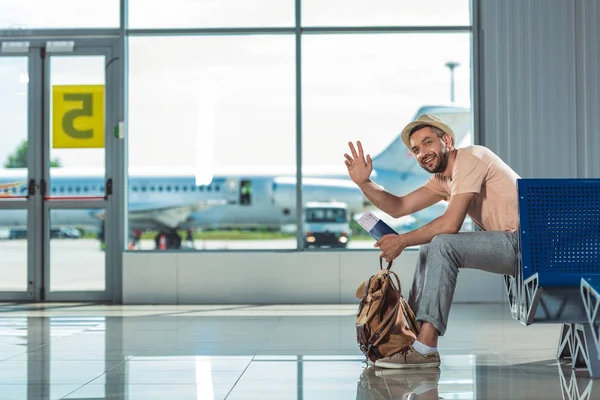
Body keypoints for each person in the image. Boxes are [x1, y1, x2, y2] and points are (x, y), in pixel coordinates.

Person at [344, 114, 520, 369]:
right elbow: (399, 206)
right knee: (431, 244)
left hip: (527, 244)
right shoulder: (443, 180)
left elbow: (450, 225)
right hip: (509, 243)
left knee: (442, 243)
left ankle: (426, 348)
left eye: (428, 143)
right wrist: (364, 183)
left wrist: (402, 240)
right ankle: (411, 338)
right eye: (416, 149)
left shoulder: (471, 158)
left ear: (446, 140)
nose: (422, 152)